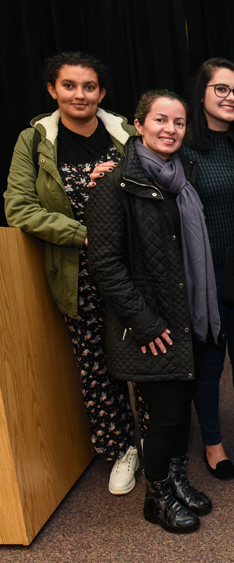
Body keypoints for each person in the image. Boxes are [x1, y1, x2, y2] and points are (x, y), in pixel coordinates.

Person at [4, 52, 147, 497]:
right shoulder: (35, 140)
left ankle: (157, 442)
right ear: (53, 90)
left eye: (89, 87)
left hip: (132, 268)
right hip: (78, 274)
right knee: (96, 365)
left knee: (147, 353)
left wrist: (122, 177)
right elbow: (19, 207)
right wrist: (84, 235)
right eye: (69, 86)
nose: (80, 95)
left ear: (101, 92)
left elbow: (162, 183)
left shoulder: (125, 132)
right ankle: (121, 448)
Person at [87, 90, 221, 534]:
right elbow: (105, 265)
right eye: (160, 120)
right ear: (139, 124)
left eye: (179, 122)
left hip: (189, 320)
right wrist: (143, 323)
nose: (170, 129)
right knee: (164, 417)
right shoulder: (113, 185)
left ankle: (176, 480)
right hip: (152, 326)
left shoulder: (182, 178)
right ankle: (156, 497)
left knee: (182, 411)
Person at [182, 58, 234, 480]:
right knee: (211, 363)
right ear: (202, 94)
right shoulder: (181, 147)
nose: (231, 98)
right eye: (222, 90)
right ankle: (213, 442)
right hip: (203, 273)